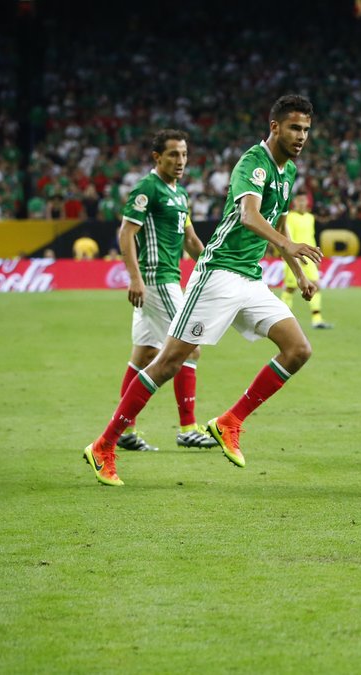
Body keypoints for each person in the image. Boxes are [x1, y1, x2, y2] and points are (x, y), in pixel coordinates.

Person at [83, 95, 323, 486]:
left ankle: (230, 421)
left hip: (250, 277)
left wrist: (297, 270)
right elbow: (249, 216)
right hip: (218, 274)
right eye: (295, 128)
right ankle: (104, 445)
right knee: (168, 362)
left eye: (307, 130)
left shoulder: (289, 170)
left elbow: (278, 223)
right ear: (275, 126)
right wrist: (291, 247)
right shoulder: (253, 162)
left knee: (298, 350)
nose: (301, 136)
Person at [110, 129, 218, 454]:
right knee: (190, 348)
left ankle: (125, 430)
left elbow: (191, 241)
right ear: (157, 157)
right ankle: (187, 428)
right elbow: (126, 232)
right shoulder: (148, 188)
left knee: (143, 355)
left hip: (169, 279)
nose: (180, 161)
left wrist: (216, 267)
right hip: (156, 280)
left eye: (184, 154)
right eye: (173, 154)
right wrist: (134, 278)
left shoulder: (181, 194)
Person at [280, 192, 332, 329]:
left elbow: (311, 237)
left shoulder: (310, 218)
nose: (302, 203)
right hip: (294, 257)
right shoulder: (289, 217)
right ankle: (281, 320)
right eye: (299, 200)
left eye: (304, 200)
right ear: (294, 202)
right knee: (290, 288)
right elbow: (286, 238)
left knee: (316, 285)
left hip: (309, 258)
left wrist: (316, 256)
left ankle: (317, 319)